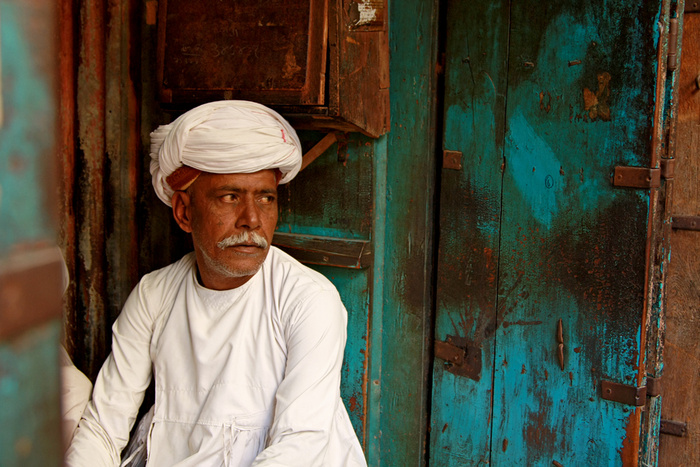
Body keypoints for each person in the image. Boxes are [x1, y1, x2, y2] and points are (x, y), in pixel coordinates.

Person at [65, 101, 367, 466]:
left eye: (265, 198)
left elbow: (297, 447)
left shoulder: (308, 299)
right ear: (184, 212)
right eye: (230, 197)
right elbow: (103, 426)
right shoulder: (154, 295)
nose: (252, 220)